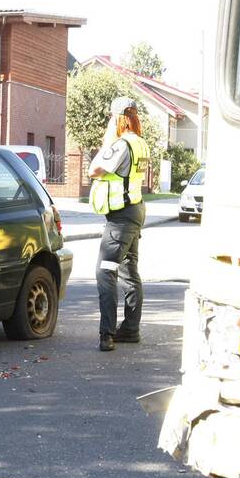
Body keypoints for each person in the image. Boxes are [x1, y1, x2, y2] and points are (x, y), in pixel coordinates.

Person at [88, 97, 149, 352]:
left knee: (105, 272)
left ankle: (107, 334)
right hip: (134, 211)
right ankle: (131, 329)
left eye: (112, 118)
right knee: (128, 271)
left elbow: (94, 169)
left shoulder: (122, 144)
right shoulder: (141, 143)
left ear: (119, 119)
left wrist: (109, 139)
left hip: (121, 219)